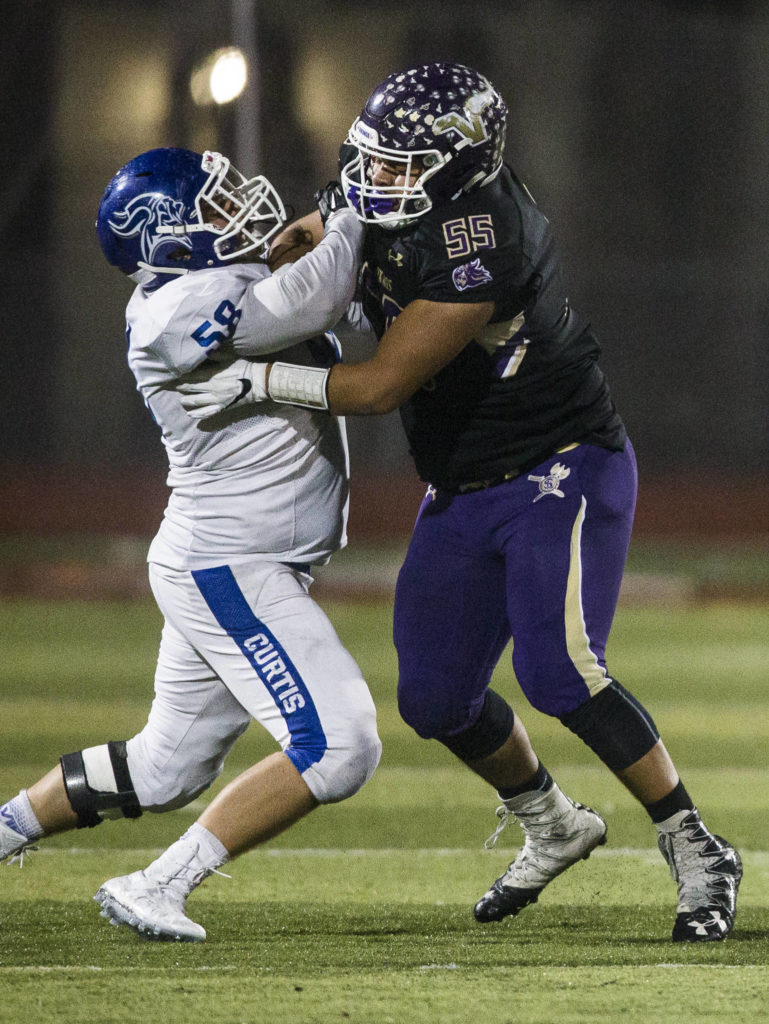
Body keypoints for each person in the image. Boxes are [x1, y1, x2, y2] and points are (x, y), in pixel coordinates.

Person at [178, 64, 742, 943]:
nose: (378, 177)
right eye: (375, 158)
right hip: (464, 481)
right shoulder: (391, 183)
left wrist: (258, 377)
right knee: (436, 700)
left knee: (557, 672)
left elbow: (377, 386)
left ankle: (693, 840)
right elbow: (324, 226)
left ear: (462, 164)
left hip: (558, 466)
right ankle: (552, 821)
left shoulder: (486, 241)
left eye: (404, 165)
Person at [0, 147, 382, 942]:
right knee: (340, 745)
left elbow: (338, 305)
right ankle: (159, 883)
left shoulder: (216, 283)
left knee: (164, 766)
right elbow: (317, 297)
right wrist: (352, 203)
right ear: (163, 238)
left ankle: (5, 829)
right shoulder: (175, 309)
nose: (236, 210)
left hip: (225, 559)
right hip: (232, 564)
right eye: (212, 207)